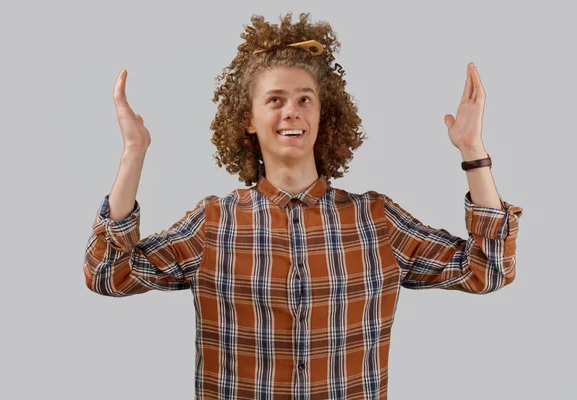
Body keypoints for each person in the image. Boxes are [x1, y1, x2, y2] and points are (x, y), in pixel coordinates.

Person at [83, 12, 523, 400]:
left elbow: (489, 270)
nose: (291, 111)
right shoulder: (213, 223)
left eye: (304, 99)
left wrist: (472, 152)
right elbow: (108, 275)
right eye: (275, 99)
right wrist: (133, 156)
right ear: (248, 120)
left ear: (322, 116)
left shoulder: (375, 220)